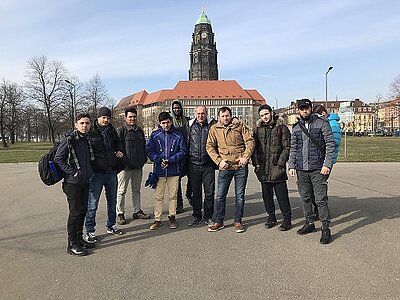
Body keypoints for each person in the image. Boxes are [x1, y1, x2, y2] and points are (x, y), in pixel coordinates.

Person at [288, 99, 335, 244]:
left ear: (310, 108)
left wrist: (327, 164)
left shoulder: (321, 123)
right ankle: (309, 223)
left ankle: (325, 228)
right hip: (302, 169)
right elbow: (294, 147)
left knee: (320, 200)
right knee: (305, 198)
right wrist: (291, 165)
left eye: (306, 108)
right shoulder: (296, 127)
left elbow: (330, 144)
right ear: (299, 110)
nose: (304, 111)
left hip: (318, 169)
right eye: (302, 109)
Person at [206, 106, 255, 233]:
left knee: (240, 195)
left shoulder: (239, 125)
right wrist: (218, 161)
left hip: (240, 166)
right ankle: (219, 221)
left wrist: (245, 157)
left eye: (227, 115)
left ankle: (238, 221)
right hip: (225, 166)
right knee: (221, 195)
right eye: (222, 116)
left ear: (231, 115)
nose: (225, 118)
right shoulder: (214, 128)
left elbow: (250, 141)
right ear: (219, 117)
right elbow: (209, 146)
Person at [54, 113, 95, 256]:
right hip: (72, 183)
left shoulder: (86, 139)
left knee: (83, 210)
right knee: (75, 213)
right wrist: (73, 172)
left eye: (87, 123)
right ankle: (71, 244)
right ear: (76, 124)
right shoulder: (69, 140)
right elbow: (58, 158)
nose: (85, 126)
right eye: (82, 123)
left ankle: (79, 238)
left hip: (85, 181)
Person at [85, 107, 124, 243]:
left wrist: (120, 151)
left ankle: (111, 225)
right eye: (104, 118)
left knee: (112, 201)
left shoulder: (112, 130)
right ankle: (90, 231)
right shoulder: (91, 131)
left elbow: (118, 144)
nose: (106, 120)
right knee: (92, 204)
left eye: (108, 118)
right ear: (98, 118)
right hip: (96, 174)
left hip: (111, 171)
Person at [252, 104, 292, 231]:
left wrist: (280, 163)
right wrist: (256, 163)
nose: (265, 117)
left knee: (282, 196)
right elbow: (254, 149)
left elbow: (287, 147)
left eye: (266, 114)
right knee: (267, 196)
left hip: (277, 168)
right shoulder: (258, 130)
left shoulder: (282, 128)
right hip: (263, 169)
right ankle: (271, 217)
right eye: (262, 115)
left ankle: (287, 219)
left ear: (271, 112)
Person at [146, 112, 187, 230]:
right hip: (159, 171)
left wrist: (171, 160)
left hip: (174, 170)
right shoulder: (154, 135)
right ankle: (157, 219)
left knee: (172, 195)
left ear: (171, 121)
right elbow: (149, 151)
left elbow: (183, 151)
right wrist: (158, 160)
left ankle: (172, 217)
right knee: (158, 196)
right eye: (163, 123)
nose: (166, 125)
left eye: (168, 122)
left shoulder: (178, 135)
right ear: (160, 123)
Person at [116, 107, 150, 225]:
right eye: (130, 117)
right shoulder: (121, 131)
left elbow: (144, 146)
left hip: (138, 166)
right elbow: (118, 149)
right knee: (121, 191)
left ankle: (137, 211)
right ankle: (120, 213)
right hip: (124, 167)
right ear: (125, 118)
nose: (132, 119)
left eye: (134, 117)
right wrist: (124, 160)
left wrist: (143, 159)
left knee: (136, 190)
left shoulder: (140, 131)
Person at [187, 105, 217, 227]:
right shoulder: (190, 126)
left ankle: (208, 216)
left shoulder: (212, 125)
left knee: (209, 193)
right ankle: (197, 216)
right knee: (196, 192)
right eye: (198, 113)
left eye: (203, 113)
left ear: (206, 114)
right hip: (193, 165)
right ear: (195, 114)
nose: (200, 116)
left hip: (208, 165)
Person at [310, 104, 342, 220]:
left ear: (323, 113)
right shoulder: (326, 122)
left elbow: (335, 142)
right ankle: (318, 210)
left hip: (327, 159)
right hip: (319, 159)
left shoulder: (332, 123)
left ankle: (322, 211)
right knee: (315, 186)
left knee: (319, 187)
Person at [171, 100, 192, 214]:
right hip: (177, 155)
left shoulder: (188, 121)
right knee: (176, 181)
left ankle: (189, 195)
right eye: (174, 108)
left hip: (188, 154)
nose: (177, 110)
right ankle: (179, 204)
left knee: (192, 178)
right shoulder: (170, 122)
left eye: (178, 108)